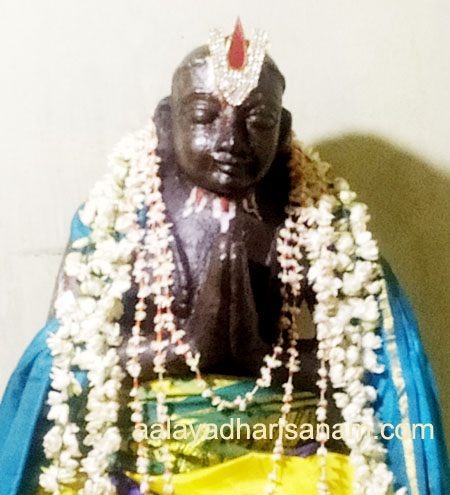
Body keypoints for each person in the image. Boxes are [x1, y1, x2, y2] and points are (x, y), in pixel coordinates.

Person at [0, 19, 448, 495]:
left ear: (283, 132)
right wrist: (181, 352)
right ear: (165, 123)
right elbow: (61, 356)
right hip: (139, 453)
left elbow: (379, 360)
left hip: (284, 453)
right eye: (203, 117)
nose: (232, 139)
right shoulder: (120, 212)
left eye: (258, 122)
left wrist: (264, 359)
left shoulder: (317, 213)